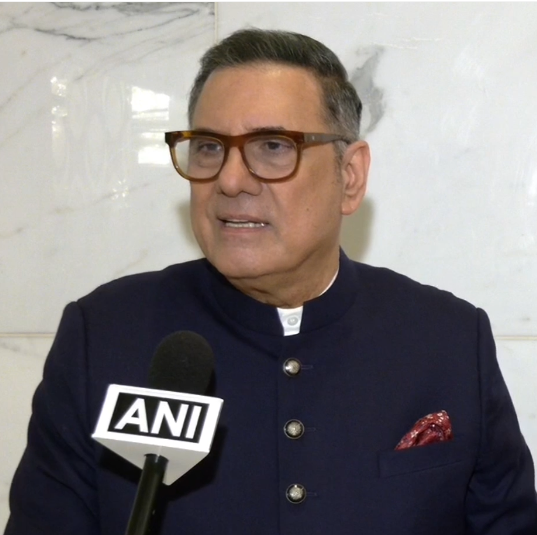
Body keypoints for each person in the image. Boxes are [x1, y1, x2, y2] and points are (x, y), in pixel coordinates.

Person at [5, 28, 537, 535]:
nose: (230, 179)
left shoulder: (447, 340)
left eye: (273, 146)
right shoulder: (104, 336)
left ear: (349, 176)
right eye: (209, 146)